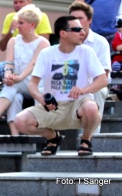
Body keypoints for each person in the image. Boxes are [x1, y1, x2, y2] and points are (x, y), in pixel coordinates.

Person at [14, 15, 107, 156]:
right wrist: (40, 98)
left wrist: (83, 90)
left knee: (91, 107)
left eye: (82, 29)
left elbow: (103, 80)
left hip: (78, 104)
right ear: (63, 33)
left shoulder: (87, 51)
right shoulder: (47, 53)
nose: (83, 32)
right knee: (20, 121)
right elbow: (33, 84)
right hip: (54, 107)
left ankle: (86, 140)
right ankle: (53, 137)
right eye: (77, 29)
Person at [0, 5, 50, 135]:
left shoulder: (43, 43)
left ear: (32, 25)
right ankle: (15, 137)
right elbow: (9, 63)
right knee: (14, 96)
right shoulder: (13, 41)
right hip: (18, 83)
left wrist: (18, 78)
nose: (17, 26)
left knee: (13, 86)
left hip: (37, 84)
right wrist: (8, 76)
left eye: (21, 23)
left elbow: (33, 64)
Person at [0, 0, 52, 90]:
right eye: (15, 2)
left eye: (21, 2)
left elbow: (44, 45)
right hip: (13, 62)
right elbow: (2, 47)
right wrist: (11, 31)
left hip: (32, 62)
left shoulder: (41, 16)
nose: (18, 5)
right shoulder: (10, 17)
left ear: (29, 2)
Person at [69, 1, 111, 134]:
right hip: (70, 84)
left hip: (93, 85)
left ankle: (90, 139)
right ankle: (48, 139)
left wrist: (84, 89)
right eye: (73, 18)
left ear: (89, 20)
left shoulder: (100, 42)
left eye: (80, 18)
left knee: (97, 92)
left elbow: (104, 75)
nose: (76, 22)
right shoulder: (65, 41)